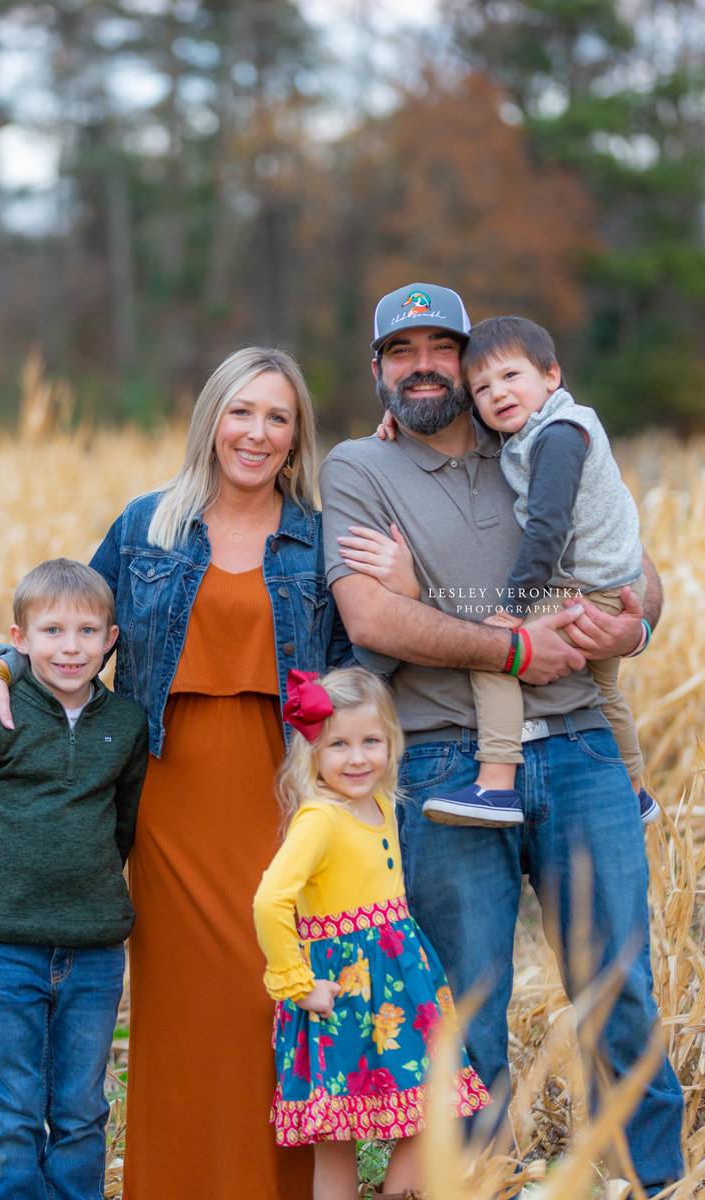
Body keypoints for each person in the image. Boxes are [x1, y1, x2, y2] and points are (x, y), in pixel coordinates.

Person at [0, 347, 354, 1199]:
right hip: (169, 797)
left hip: (284, 794)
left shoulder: (320, 539)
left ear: (296, 438)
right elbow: (64, 626)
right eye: (241, 411)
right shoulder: (148, 526)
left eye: (277, 417)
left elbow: (363, 669)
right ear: (211, 420)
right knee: (183, 1015)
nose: (256, 431)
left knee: (269, 998)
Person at [319, 282, 684, 1196]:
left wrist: (632, 629)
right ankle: (478, 1181)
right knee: (465, 1005)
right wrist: (516, 645)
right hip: (446, 758)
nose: (425, 366)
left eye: (443, 348)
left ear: (471, 360)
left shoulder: (537, 435)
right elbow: (370, 616)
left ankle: (660, 1182)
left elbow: (634, 569)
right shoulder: (359, 469)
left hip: (581, 750)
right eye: (402, 353)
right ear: (378, 371)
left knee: (619, 991)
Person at [0, 559, 149, 1200]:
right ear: (19, 641)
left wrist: (94, 885)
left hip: (94, 949)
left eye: (87, 632)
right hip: (7, 949)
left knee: (82, 1106)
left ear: (112, 639)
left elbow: (123, 826)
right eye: (52, 632)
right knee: (17, 1105)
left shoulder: (125, 724)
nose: (70, 647)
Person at [399, 314, 658, 829]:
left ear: (552, 375)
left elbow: (547, 530)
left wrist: (512, 611)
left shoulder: (559, 438)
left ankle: (496, 784)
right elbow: (449, 422)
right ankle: (635, 791)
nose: (497, 394)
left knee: (490, 649)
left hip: (589, 588)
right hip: (615, 580)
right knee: (604, 690)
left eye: (511, 377)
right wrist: (397, 425)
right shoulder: (539, 425)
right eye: (482, 388)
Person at [253, 666, 490, 1200]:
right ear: (312, 751)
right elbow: (271, 901)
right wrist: (296, 983)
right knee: (336, 1135)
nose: (357, 758)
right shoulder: (320, 818)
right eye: (339, 744)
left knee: (430, 1104)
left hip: (400, 981)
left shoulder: (381, 803)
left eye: (371, 741)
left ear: (392, 742)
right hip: (339, 992)